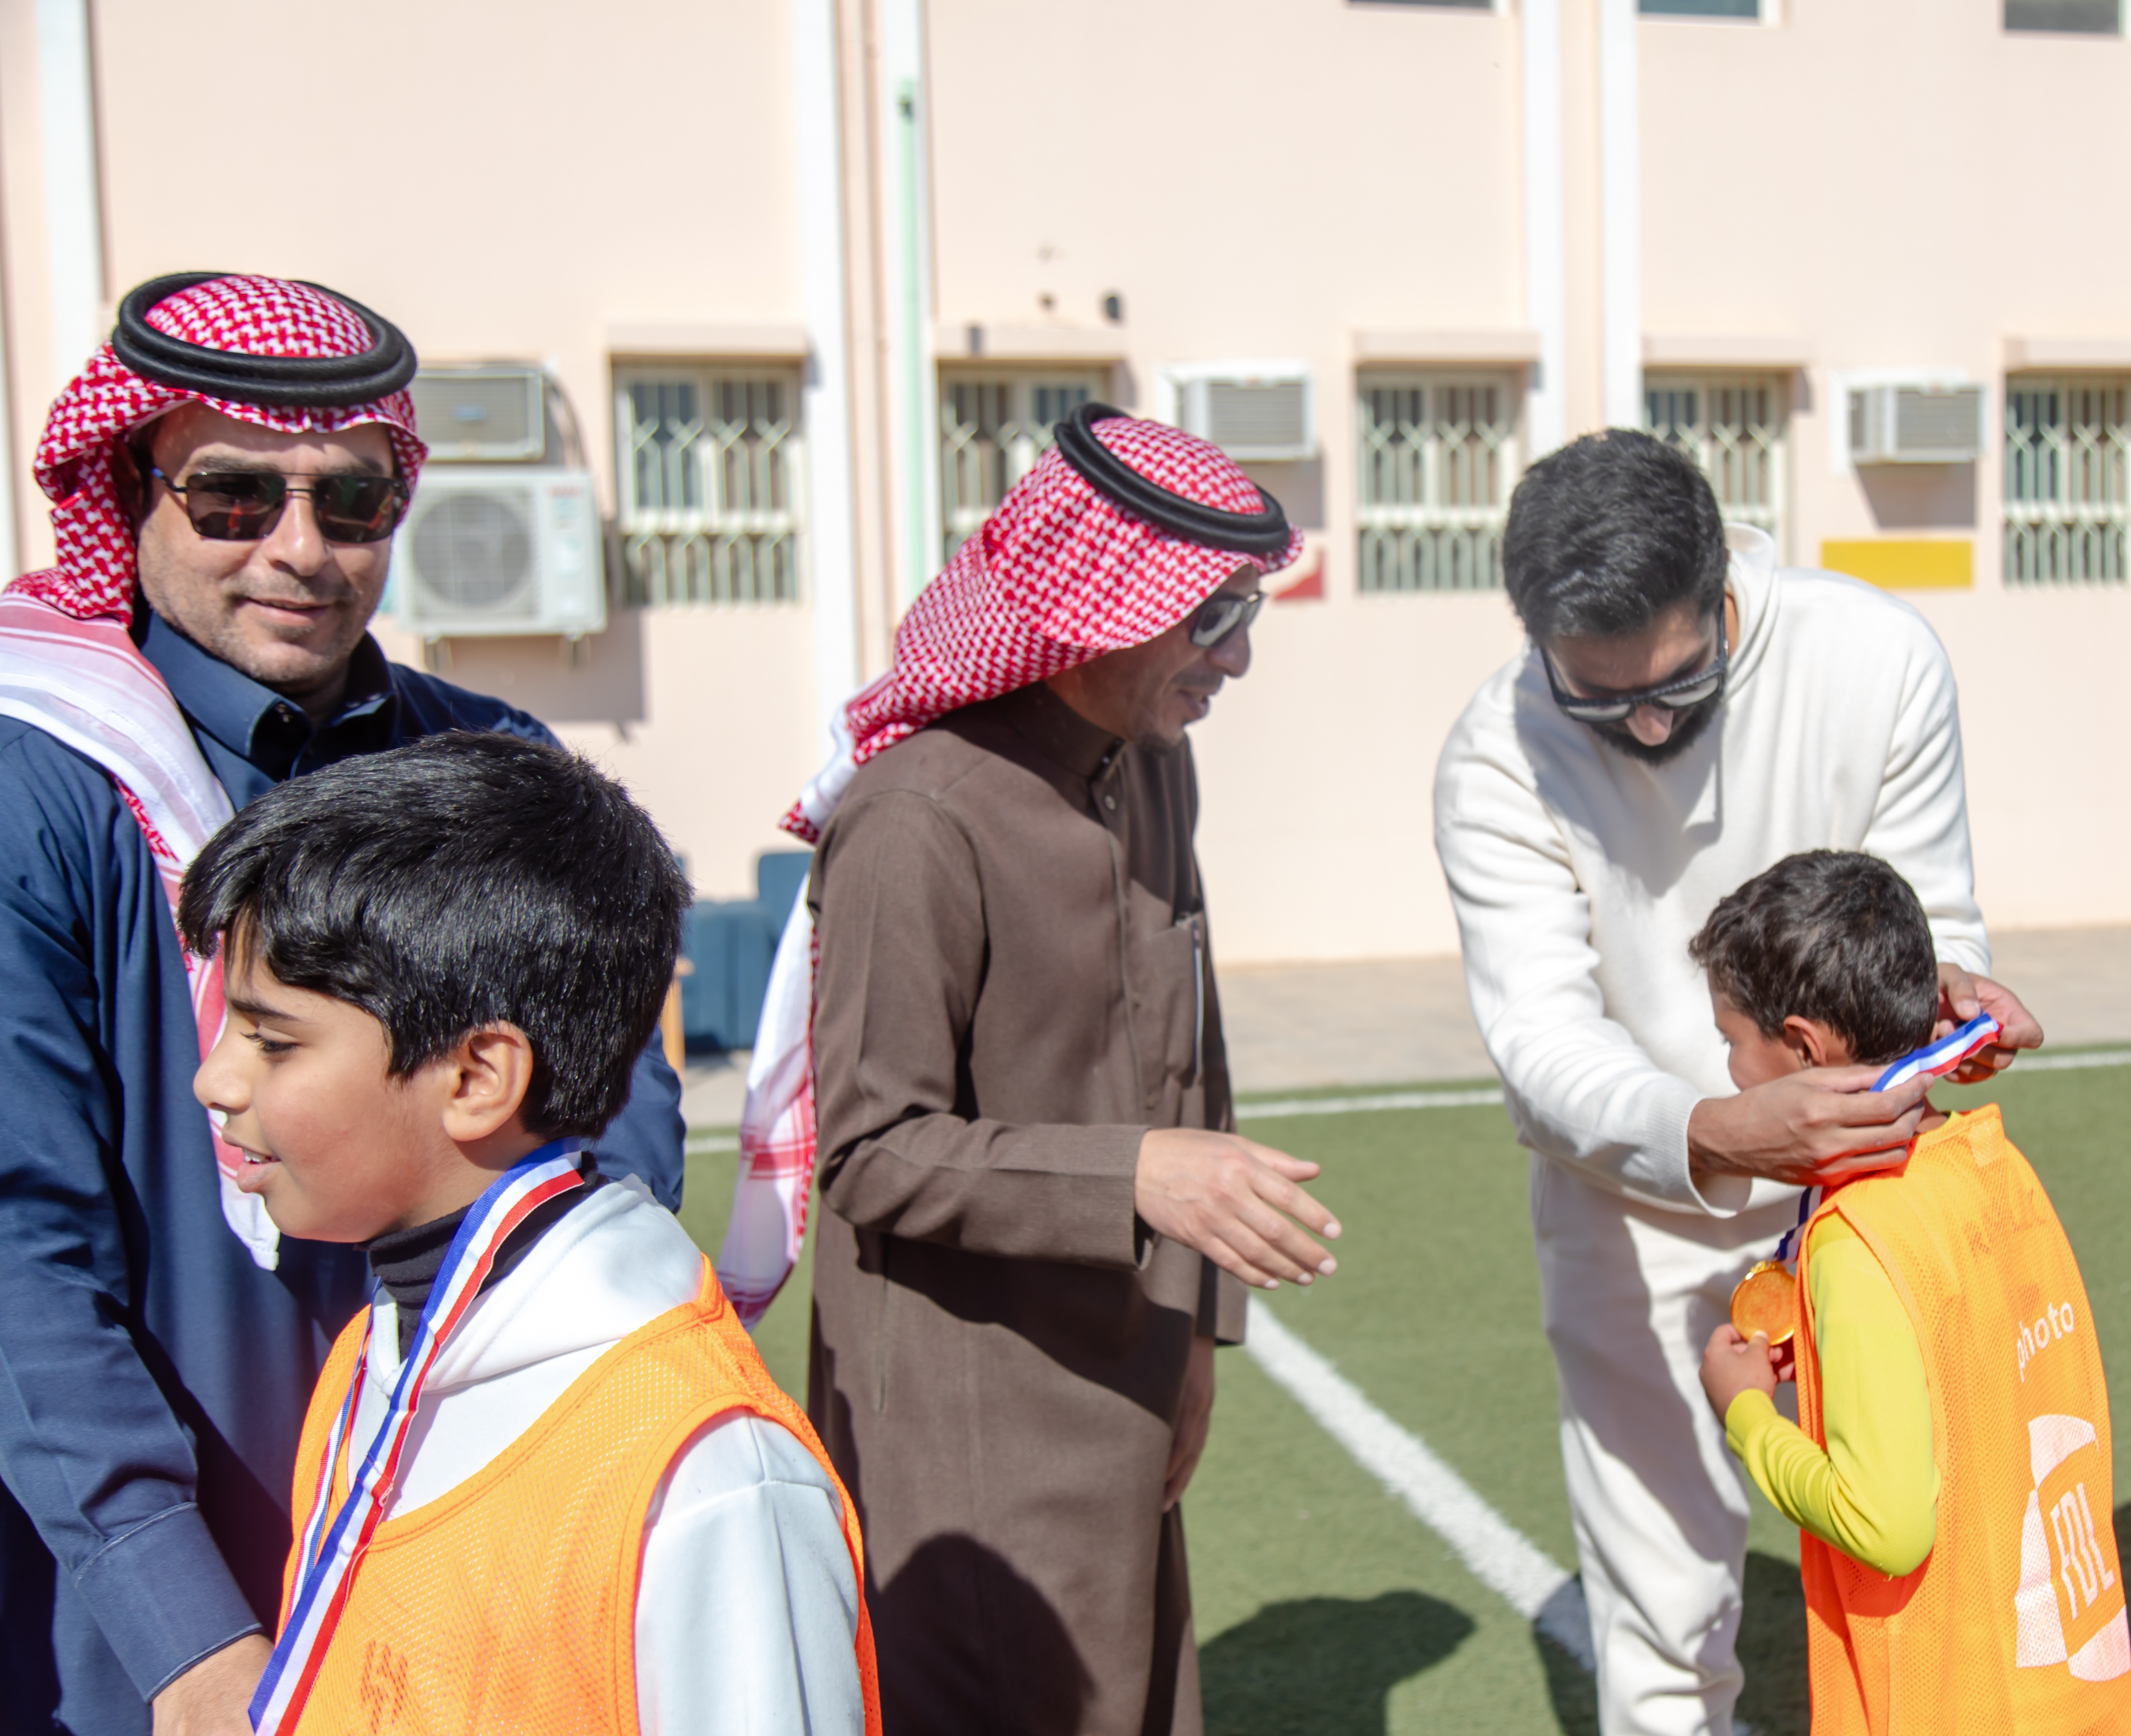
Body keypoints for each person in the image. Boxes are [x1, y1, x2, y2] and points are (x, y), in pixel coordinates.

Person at [0, 273, 684, 1736]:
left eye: (352, 503)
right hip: (165, 1612)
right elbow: (19, 1257)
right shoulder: (35, 783)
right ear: (129, 487)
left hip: (478, 1516)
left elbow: (617, 1125)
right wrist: (184, 1636)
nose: (301, 551)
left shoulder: (494, 760)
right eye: (235, 498)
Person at [720, 404, 1338, 1735]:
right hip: (971, 1419)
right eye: (1209, 617)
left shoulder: (1152, 769)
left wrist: (1201, 1341)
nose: (1234, 659)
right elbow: (872, 1152)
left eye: (1250, 616)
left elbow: (1190, 1058)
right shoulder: (916, 819)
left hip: (1129, 1361)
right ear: (1100, 609)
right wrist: (1139, 1177)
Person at [1433, 430, 2044, 1735]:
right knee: (1661, 1606)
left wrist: (1950, 997)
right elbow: (1541, 1042)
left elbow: (1925, 908)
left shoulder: (1872, 657)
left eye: (1678, 683)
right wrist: (1712, 1126)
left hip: (1871, 1184)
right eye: (1602, 704)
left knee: (1936, 1537)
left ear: (1725, 589)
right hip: (1631, 1195)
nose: (1647, 725)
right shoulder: (1496, 754)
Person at [172, 733, 873, 1734]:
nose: (218, 1080)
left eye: (274, 1040)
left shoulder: (706, 1470)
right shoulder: (378, 1351)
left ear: (475, 1079)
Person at [1692, 851, 2131, 1734]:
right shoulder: (1996, 1166)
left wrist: (1747, 1413)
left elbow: (1886, 1523)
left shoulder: (1857, 1241)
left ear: (1804, 1045)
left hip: (1950, 1698)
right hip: (2068, 1690)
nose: (1733, 1070)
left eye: (1733, 1040)